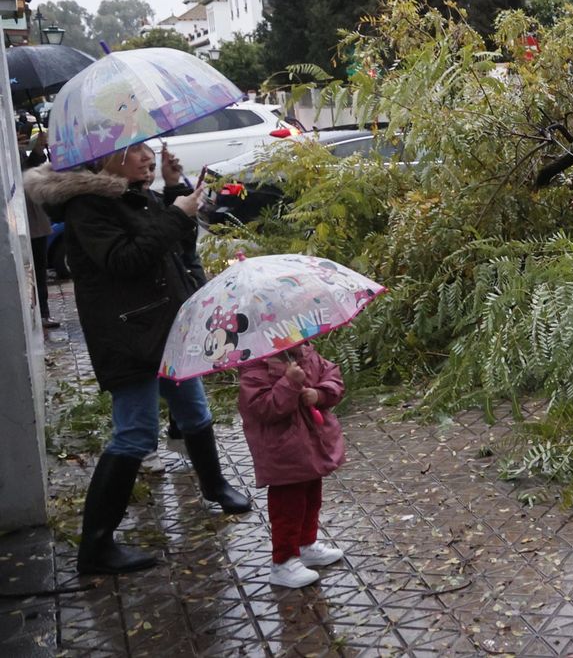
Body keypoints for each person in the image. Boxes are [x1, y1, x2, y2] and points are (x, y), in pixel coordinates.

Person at [24, 142, 252, 576]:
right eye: (135, 151)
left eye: (149, 149)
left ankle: (215, 486)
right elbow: (125, 260)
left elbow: (174, 247)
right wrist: (174, 213)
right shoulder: (88, 207)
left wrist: (172, 192)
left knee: (195, 411)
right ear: (105, 160)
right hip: (128, 336)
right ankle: (95, 546)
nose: (148, 156)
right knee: (135, 434)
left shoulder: (132, 194)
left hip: (165, 328)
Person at [238, 342, 347, 588]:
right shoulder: (254, 369)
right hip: (283, 451)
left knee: (311, 498)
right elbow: (262, 408)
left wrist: (319, 394)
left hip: (310, 443)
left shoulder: (305, 352)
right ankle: (283, 562)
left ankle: (306, 545)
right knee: (288, 507)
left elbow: (333, 376)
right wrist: (289, 383)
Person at [16, 122, 58, 329]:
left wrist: (39, 148)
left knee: (39, 269)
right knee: (28, 271)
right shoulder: (12, 153)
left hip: (35, 219)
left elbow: (34, 171)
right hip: (21, 219)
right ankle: (36, 311)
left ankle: (43, 312)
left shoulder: (24, 153)